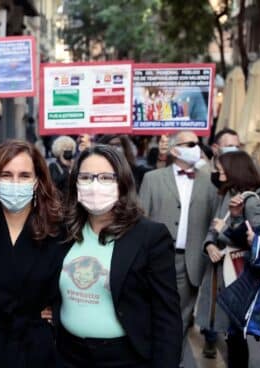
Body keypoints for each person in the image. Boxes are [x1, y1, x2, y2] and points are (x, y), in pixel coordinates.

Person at [55, 144, 182, 367]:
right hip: (68, 354)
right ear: (75, 184)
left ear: (122, 183)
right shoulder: (63, 232)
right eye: (85, 177)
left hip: (124, 357)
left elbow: (166, 316)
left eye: (105, 177)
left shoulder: (150, 236)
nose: (94, 186)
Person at [0, 140, 66, 367]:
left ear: (37, 180)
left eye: (24, 175)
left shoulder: (57, 231)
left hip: (34, 351)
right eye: (6, 175)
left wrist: (55, 310)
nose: (15, 182)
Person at [139, 130, 219, 364]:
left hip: (191, 261)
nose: (197, 147)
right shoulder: (152, 179)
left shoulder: (208, 182)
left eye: (198, 143)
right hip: (155, 260)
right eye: (190, 144)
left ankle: (174, 360)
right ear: (174, 150)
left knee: (181, 319)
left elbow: (216, 218)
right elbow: (141, 218)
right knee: (154, 314)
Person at [195, 151, 260, 367]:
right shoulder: (226, 194)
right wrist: (208, 244)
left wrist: (223, 231)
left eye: (221, 168)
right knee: (232, 334)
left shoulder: (250, 201)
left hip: (239, 274)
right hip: (224, 271)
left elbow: (258, 241)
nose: (218, 171)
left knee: (237, 335)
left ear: (234, 169)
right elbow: (214, 225)